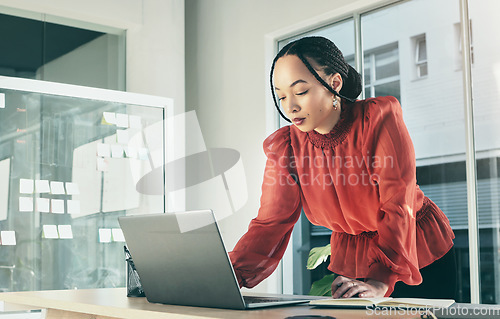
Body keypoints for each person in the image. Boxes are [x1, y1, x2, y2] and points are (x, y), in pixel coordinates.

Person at [228, 36, 457, 299]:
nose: (290, 106)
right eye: (281, 97)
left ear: (334, 84)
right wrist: (233, 274)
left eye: (300, 92)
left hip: (417, 253)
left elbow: (398, 204)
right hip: (353, 260)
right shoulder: (287, 146)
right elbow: (271, 222)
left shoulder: (378, 119)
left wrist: (380, 281)